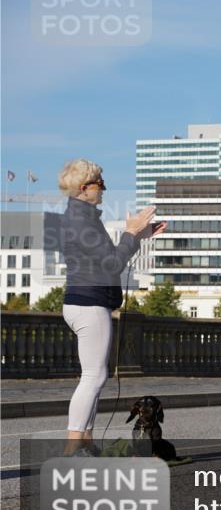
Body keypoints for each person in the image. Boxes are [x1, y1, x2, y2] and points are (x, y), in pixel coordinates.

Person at [58, 159, 166, 456]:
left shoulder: (82, 218)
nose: (104, 188)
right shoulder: (81, 222)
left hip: (85, 302)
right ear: (84, 189)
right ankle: (72, 446)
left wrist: (138, 235)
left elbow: (108, 258)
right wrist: (131, 233)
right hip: (89, 304)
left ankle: (86, 441)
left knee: (95, 375)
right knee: (94, 376)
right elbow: (113, 263)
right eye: (100, 184)